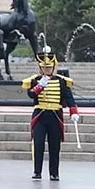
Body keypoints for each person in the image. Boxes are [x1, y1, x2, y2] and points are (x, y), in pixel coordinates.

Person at [22, 49, 77, 181]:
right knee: (38, 144)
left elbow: (69, 97)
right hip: (40, 115)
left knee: (55, 145)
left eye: (49, 67)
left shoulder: (61, 81)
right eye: (44, 67)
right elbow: (31, 94)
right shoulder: (35, 80)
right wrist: (39, 86)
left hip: (55, 115)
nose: (47, 69)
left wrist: (73, 111)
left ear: (53, 67)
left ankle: (54, 172)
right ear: (40, 68)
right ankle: (37, 171)